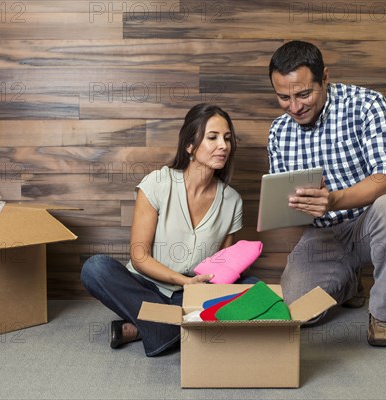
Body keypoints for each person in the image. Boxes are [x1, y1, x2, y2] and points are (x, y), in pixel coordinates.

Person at [267, 41, 386, 347]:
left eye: (303, 94)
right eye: (283, 97)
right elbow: (287, 204)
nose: (294, 107)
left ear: (324, 77)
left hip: (370, 224)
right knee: (299, 311)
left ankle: (383, 316)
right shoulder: (278, 132)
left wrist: (333, 199)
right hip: (323, 236)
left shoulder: (366, 104)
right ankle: (351, 283)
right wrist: (290, 206)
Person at [81, 103, 258, 356]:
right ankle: (181, 326)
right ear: (189, 146)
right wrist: (186, 282)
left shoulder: (232, 201)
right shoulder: (157, 183)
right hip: (146, 286)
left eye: (227, 139)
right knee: (95, 268)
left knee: (255, 289)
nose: (223, 145)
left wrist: (209, 285)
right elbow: (139, 257)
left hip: (192, 296)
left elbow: (222, 263)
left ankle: (151, 327)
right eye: (213, 137)